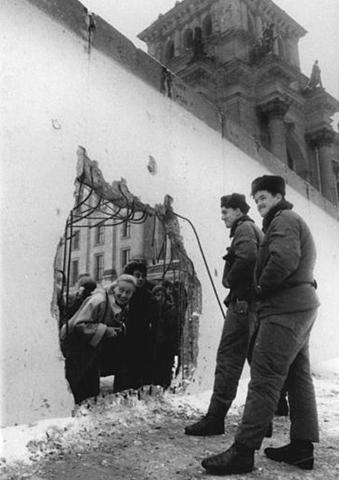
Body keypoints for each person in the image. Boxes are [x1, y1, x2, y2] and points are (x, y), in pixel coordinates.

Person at [202, 175, 320, 475]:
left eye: (263, 197)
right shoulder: (286, 221)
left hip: (283, 310)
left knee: (265, 377)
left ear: (279, 196)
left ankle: (243, 451)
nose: (259, 202)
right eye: (256, 199)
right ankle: (302, 448)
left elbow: (282, 260)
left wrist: (259, 289)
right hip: (300, 306)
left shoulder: (282, 220)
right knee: (297, 377)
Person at [185, 193, 263, 436]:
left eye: (225, 212)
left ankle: (215, 418)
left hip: (242, 304)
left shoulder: (244, 228)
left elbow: (248, 257)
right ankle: (266, 416)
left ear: (238, 211)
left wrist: (229, 279)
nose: (222, 217)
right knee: (256, 359)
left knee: (228, 360)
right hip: (253, 306)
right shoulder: (253, 228)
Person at [60, 274, 136, 404]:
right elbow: (79, 325)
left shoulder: (123, 305)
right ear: (114, 288)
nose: (123, 295)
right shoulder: (99, 301)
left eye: (128, 292)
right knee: (77, 387)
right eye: (121, 290)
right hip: (77, 348)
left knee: (91, 389)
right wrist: (105, 330)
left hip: (91, 351)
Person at [113, 260, 159, 392]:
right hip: (125, 341)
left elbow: (155, 320)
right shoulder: (124, 294)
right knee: (124, 377)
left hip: (143, 341)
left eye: (143, 276)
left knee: (140, 377)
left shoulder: (148, 296)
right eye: (137, 275)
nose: (141, 279)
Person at [152, 284, 178, 388]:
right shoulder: (153, 308)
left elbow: (172, 329)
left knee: (165, 369)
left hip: (166, 345)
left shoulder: (170, 309)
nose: (159, 298)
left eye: (161, 295)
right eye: (157, 295)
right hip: (156, 345)